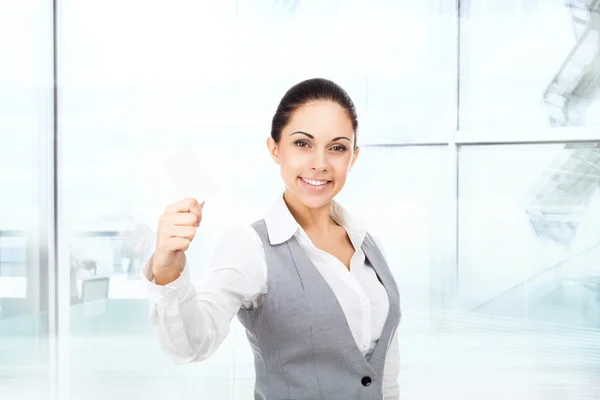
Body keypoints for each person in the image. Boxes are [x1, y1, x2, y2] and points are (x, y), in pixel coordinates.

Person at [142, 78, 401, 399]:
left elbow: (385, 374)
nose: (320, 164)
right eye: (302, 144)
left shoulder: (368, 244)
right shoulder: (251, 247)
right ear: (274, 149)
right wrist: (168, 266)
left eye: (337, 148)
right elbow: (191, 346)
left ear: (354, 157)